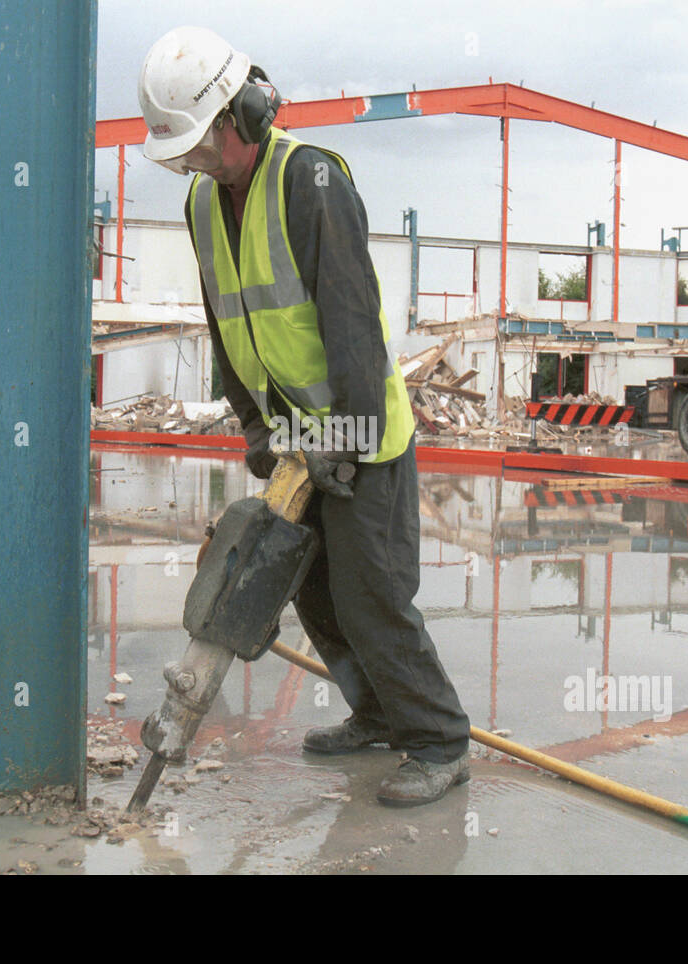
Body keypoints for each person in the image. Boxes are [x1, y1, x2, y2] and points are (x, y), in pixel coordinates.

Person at [138, 26, 471, 806]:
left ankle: (440, 742)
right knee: (314, 594)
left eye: (198, 146)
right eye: (181, 153)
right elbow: (228, 322)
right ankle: (378, 716)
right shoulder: (202, 201)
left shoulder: (310, 181)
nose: (192, 163)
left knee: (370, 596)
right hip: (295, 438)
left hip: (362, 438)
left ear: (243, 115)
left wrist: (345, 443)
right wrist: (259, 430)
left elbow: (351, 323)